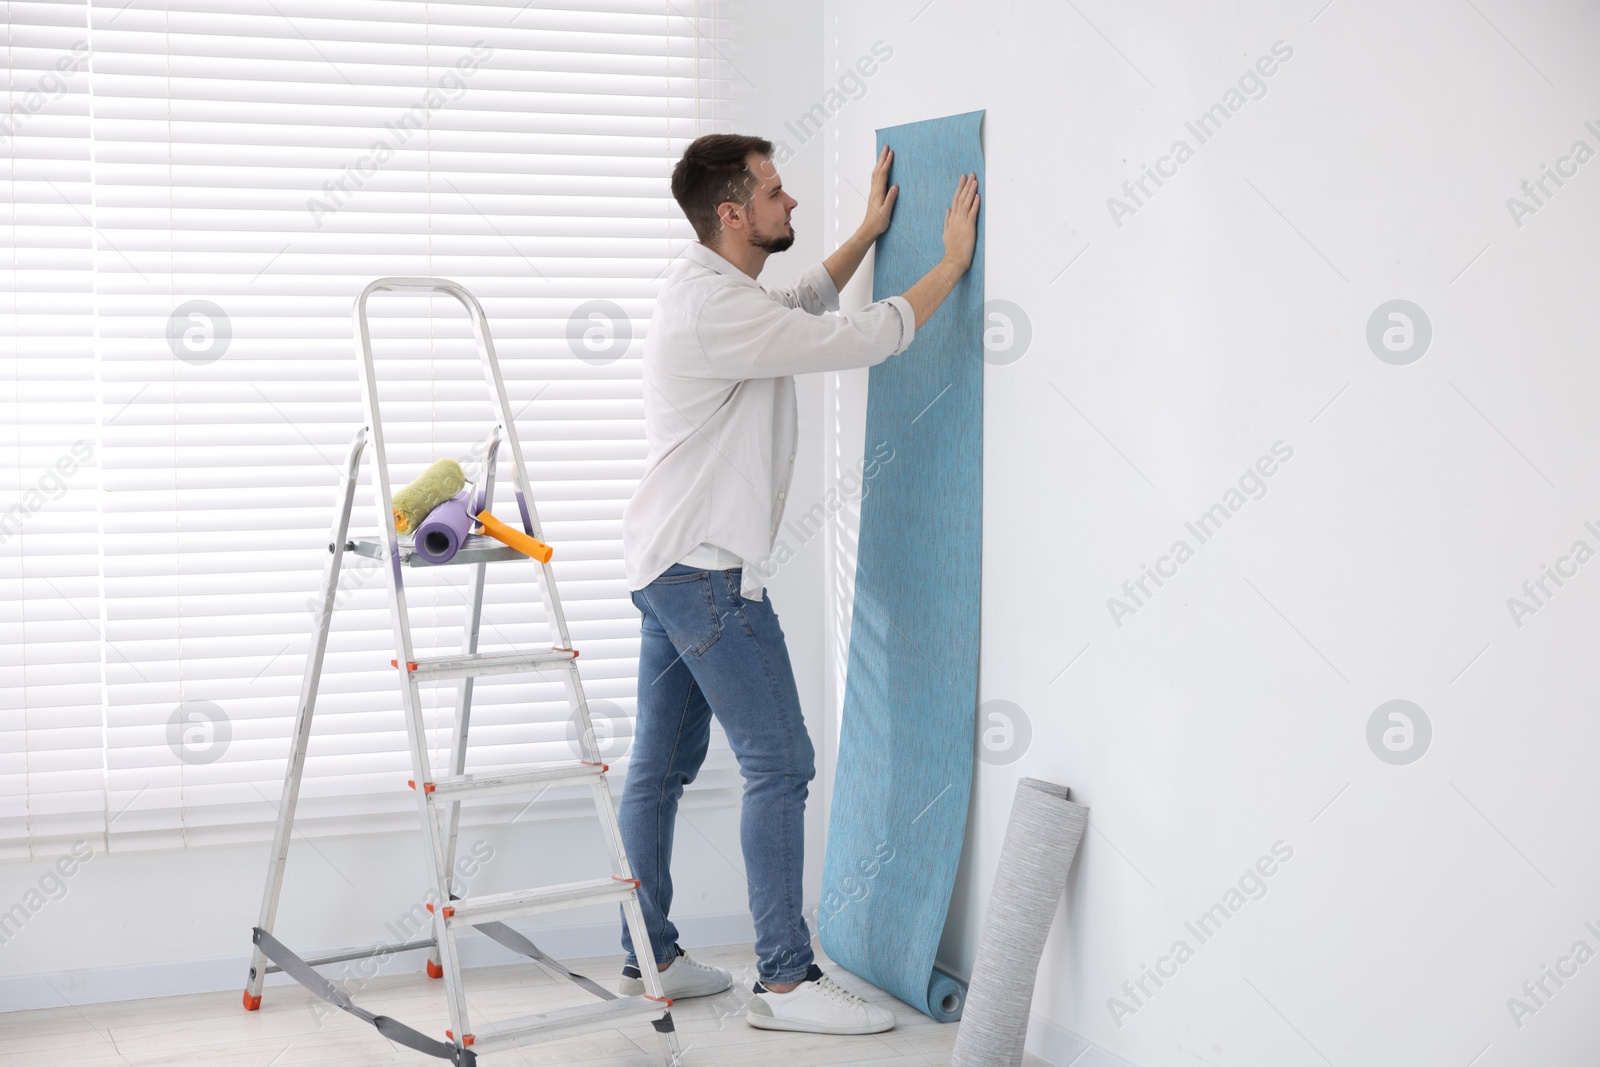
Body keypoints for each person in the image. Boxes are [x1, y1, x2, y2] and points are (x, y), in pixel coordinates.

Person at [616, 132, 979, 1035]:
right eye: (777, 194)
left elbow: (798, 302)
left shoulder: (707, 287)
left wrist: (865, 233)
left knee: (659, 767)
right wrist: (950, 265)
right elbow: (858, 335)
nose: (791, 204)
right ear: (733, 213)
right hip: (703, 573)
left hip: (666, 562)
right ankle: (784, 979)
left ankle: (646, 950)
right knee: (782, 762)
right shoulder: (716, 313)